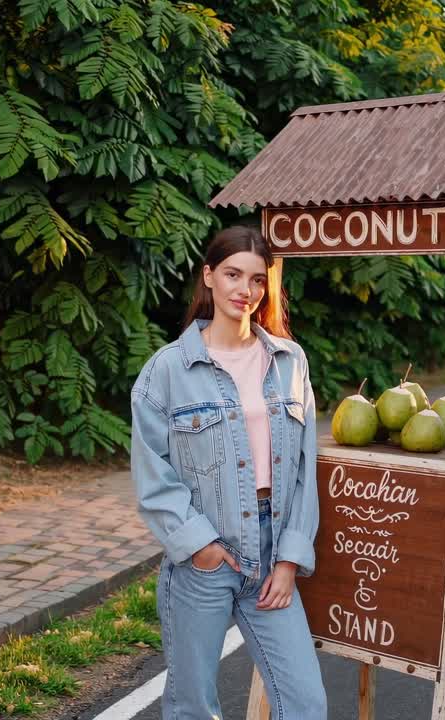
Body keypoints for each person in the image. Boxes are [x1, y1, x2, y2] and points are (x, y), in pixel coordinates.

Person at [130, 225, 326, 719]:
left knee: (305, 704)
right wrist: (201, 546)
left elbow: (306, 468)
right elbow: (153, 476)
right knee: (193, 706)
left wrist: (288, 559)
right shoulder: (167, 370)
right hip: (205, 559)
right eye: (234, 275)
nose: (246, 290)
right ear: (209, 277)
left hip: (272, 552)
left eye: (258, 280)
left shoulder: (290, 361)